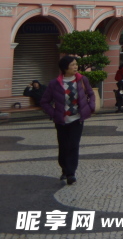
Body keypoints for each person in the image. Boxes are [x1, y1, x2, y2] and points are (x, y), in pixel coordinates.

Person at [39, 56, 95, 185]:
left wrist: (90, 106)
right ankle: (64, 168)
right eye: (73, 65)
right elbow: (44, 101)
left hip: (77, 119)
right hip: (62, 121)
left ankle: (71, 173)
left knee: (73, 145)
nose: (76, 67)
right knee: (63, 146)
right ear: (65, 68)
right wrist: (54, 113)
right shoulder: (55, 83)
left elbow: (91, 94)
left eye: (76, 64)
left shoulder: (82, 80)